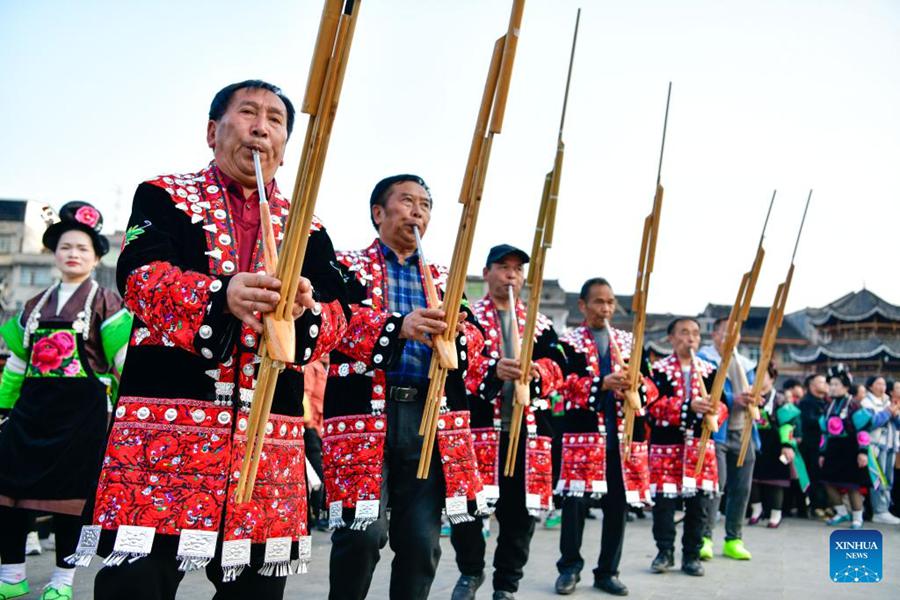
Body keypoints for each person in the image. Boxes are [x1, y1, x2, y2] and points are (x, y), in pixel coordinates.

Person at [76, 80, 351, 600]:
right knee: (138, 580)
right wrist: (223, 295)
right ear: (212, 131)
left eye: (275, 120)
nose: (261, 127)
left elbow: (339, 315)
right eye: (248, 112)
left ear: (286, 147)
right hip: (169, 423)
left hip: (269, 430)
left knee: (254, 590)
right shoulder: (164, 195)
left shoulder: (308, 227)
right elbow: (138, 275)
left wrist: (302, 314)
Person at [323, 174, 486, 600]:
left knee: (420, 542)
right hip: (361, 417)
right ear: (378, 212)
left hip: (428, 416)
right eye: (407, 201)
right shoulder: (344, 267)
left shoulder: (446, 279)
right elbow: (332, 325)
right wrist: (399, 327)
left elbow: (477, 339)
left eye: (426, 205)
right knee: (361, 534)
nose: (418, 212)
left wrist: (458, 336)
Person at [0, 202, 132, 600]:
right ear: (54, 253)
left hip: (82, 416)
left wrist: (127, 415)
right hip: (30, 412)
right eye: (65, 247)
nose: (73, 254)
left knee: (70, 503)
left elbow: (124, 362)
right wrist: (5, 408)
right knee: (9, 495)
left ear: (95, 257)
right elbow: (16, 365)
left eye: (82, 248)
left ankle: (63, 580)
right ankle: (11, 575)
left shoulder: (106, 303)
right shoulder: (33, 305)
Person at [448, 245, 565, 600]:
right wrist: (492, 370)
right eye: (502, 267)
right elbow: (456, 363)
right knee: (467, 507)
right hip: (479, 428)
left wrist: (537, 371)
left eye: (517, 269)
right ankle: (471, 570)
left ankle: (507, 583)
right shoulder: (469, 317)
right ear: (486, 273)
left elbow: (560, 367)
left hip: (527, 431)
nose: (511, 274)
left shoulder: (539, 324)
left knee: (520, 514)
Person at [553, 278, 656, 597]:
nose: (606, 308)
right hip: (583, 438)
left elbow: (652, 388)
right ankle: (569, 567)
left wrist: (636, 386)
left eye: (610, 302)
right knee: (574, 506)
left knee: (617, 507)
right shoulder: (566, 343)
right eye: (598, 301)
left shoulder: (629, 342)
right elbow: (561, 384)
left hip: (623, 440)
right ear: (583, 305)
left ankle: (608, 570)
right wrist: (600, 384)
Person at [646, 317, 726, 577]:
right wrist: (686, 407)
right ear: (671, 338)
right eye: (684, 332)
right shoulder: (657, 370)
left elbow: (722, 405)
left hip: (700, 446)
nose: (690, 338)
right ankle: (664, 552)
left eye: (695, 333)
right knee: (664, 505)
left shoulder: (710, 370)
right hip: (666, 446)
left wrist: (714, 411)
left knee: (699, 505)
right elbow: (651, 406)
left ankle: (692, 555)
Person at [697, 318, 756, 561]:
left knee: (741, 488)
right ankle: (705, 537)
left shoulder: (746, 364)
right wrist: (733, 399)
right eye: (726, 332)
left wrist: (753, 399)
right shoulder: (705, 360)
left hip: (743, 431)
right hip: (716, 430)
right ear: (715, 335)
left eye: (736, 332)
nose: (732, 336)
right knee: (715, 486)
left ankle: (734, 538)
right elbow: (706, 391)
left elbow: (752, 390)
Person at [748, 363, 808, 528]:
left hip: (777, 444)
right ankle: (756, 510)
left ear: (772, 378)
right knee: (752, 478)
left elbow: (788, 425)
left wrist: (787, 445)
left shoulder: (780, 399)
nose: (758, 380)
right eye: (756, 376)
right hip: (754, 442)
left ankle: (776, 513)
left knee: (777, 479)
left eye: (763, 375)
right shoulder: (751, 396)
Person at [819, 364, 874, 530]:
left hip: (851, 448)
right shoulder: (829, 406)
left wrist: (863, 452)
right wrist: (822, 453)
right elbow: (824, 433)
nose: (832, 388)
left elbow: (863, 430)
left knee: (852, 485)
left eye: (836, 384)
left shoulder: (854, 405)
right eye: (831, 384)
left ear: (845, 386)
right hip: (833, 448)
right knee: (827, 482)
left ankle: (858, 517)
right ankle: (842, 512)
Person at [861, 375, 900, 524]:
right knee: (879, 477)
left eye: (883, 384)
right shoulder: (867, 402)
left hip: (889, 444)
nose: (882, 387)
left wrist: (894, 414)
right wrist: (888, 412)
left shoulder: (888, 401)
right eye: (878, 384)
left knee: (888, 478)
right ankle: (879, 510)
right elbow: (871, 423)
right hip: (875, 445)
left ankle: (885, 509)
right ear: (870, 386)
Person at [797, 373, 829, 517]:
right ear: (812, 385)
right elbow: (809, 421)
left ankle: (823, 504)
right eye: (822, 382)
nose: (826, 385)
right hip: (810, 446)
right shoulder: (806, 402)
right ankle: (812, 506)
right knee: (812, 475)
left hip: (824, 446)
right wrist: (825, 420)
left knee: (822, 476)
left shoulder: (828, 402)